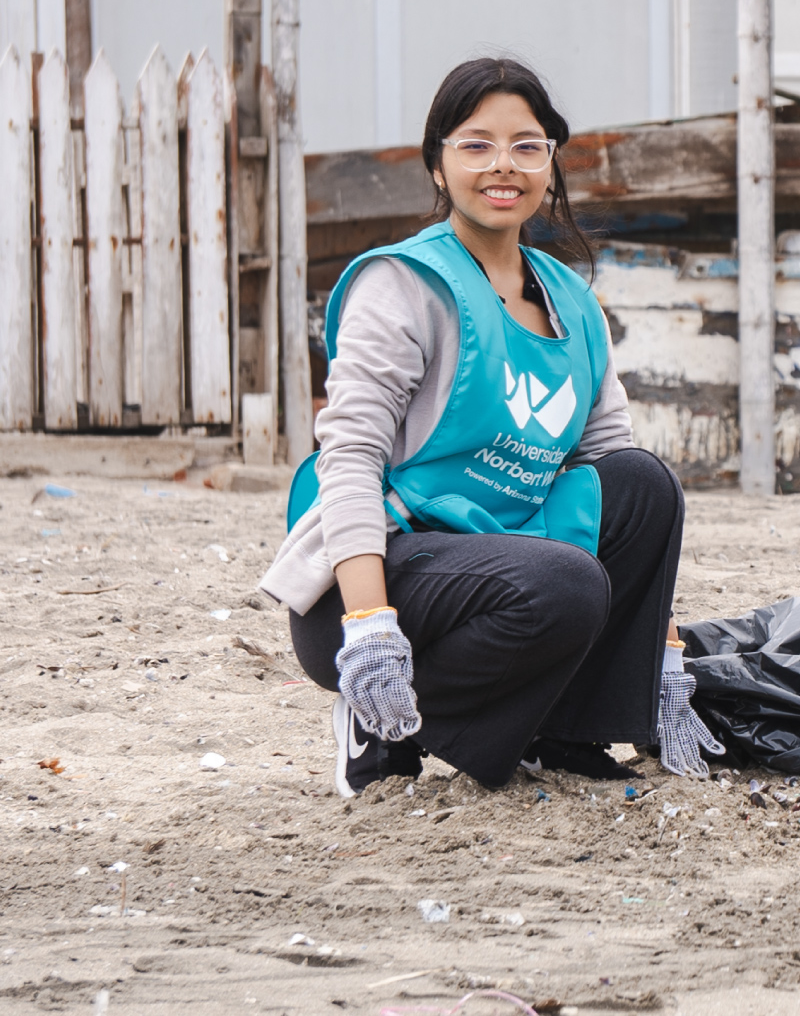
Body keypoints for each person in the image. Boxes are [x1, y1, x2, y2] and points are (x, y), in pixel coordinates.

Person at [258, 58, 723, 798]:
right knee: (567, 585)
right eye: (476, 145)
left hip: (504, 571)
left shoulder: (571, 298)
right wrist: (370, 623)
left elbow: (614, 475)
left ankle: (566, 733)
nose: (502, 166)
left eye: (526, 146)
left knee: (645, 484)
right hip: (380, 588)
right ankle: (376, 717)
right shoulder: (404, 284)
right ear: (438, 166)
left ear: (550, 163)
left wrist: (661, 651)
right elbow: (347, 457)